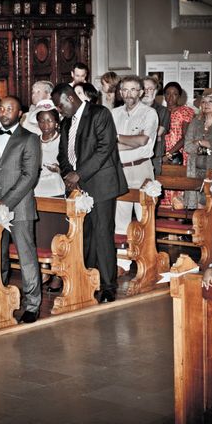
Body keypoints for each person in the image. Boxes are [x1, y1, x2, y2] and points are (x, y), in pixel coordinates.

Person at [52, 83, 127, 303]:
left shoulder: (99, 113)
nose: (58, 110)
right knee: (84, 235)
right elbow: (63, 155)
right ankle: (88, 278)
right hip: (78, 186)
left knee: (103, 233)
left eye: (59, 105)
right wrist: (69, 175)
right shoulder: (66, 123)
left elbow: (105, 147)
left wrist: (79, 174)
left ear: (69, 98)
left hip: (101, 184)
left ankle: (107, 286)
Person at [0, 95, 42, 323]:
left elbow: (29, 176)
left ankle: (32, 304)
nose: (4, 112)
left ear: (19, 113)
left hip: (19, 207)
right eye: (2, 108)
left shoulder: (30, 138)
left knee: (26, 257)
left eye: (9, 109)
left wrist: (4, 203)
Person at [112, 75, 158, 277]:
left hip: (141, 169)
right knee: (120, 218)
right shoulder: (113, 114)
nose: (129, 94)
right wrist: (124, 141)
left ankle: (147, 261)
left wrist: (118, 139)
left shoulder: (150, 114)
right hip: (120, 169)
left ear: (141, 92)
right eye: (125, 90)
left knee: (144, 218)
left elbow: (141, 141)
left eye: (133, 90)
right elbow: (108, 143)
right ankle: (122, 263)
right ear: (120, 93)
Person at [34, 99, 67, 293]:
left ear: (56, 122)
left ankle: (58, 275)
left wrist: (59, 168)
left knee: (55, 235)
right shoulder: (34, 140)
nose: (45, 125)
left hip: (55, 190)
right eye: (42, 121)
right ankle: (43, 271)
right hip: (37, 191)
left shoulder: (62, 140)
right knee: (40, 235)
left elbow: (73, 165)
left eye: (49, 121)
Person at [162, 82, 195, 208]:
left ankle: (178, 222)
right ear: (164, 95)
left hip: (179, 154)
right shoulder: (160, 111)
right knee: (165, 189)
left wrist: (169, 153)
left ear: (179, 96)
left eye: (175, 94)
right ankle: (168, 224)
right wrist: (163, 155)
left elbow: (185, 137)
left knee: (177, 191)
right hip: (163, 155)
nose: (171, 97)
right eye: (168, 94)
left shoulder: (185, 111)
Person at [142, 76, 170, 176]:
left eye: (150, 89)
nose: (146, 92)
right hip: (134, 156)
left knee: (152, 188)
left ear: (155, 91)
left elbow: (157, 133)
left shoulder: (163, 111)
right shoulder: (133, 109)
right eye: (144, 88)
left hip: (153, 157)